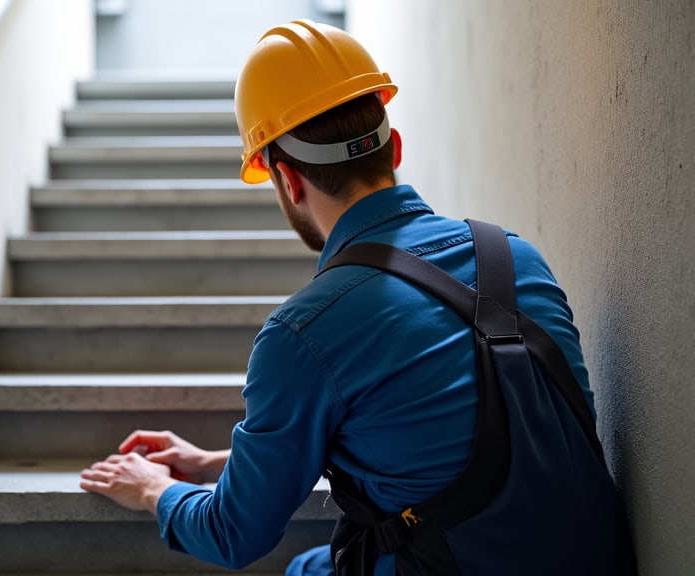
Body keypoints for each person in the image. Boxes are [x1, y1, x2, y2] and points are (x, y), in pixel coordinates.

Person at [80, 20, 628, 575]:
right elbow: (437, 428)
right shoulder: (514, 256)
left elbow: (233, 532)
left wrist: (155, 490)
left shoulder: (306, 333)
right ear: (393, 145)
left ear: (289, 181)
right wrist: (218, 463)